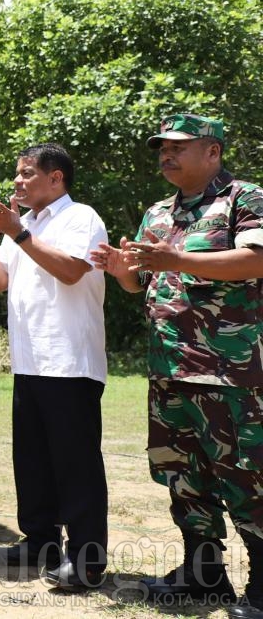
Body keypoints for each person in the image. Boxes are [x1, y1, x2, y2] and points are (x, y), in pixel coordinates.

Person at [91, 114, 263, 617]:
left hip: (232, 373)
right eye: (161, 148)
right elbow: (146, 286)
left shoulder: (244, 198)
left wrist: (178, 261)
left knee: (247, 476)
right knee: (182, 476)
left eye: (178, 147)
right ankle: (203, 576)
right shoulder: (157, 213)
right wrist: (125, 274)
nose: (166, 155)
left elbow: (255, 261)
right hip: (169, 370)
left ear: (212, 152)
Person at [0, 144, 109, 590]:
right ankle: (39, 543)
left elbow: (70, 272)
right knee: (31, 461)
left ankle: (87, 560)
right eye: (17, 173)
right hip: (29, 362)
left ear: (56, 178)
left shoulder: (81, 217)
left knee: (75, 465)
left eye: (27, 173)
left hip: (70, 361)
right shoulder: (23, 224)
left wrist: (18, 235)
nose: (17, 182)